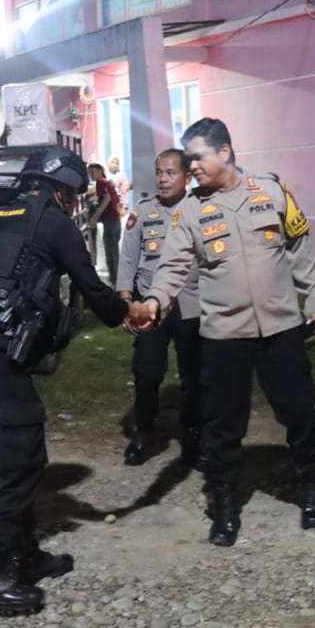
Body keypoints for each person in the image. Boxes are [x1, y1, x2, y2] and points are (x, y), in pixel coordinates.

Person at [0, 145, 151, 617]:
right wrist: (128, 311)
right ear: (63, 191)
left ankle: (26, 557)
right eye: (75, 196)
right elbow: (93, 290)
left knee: (6, 463)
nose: (75, 204)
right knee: (21, 463)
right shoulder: (52, 222)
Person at [137, 117, 315, 547]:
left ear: (224, 151)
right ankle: (224, 506)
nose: (191, 167)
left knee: (299, 411)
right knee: (223, 425)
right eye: (187, 160)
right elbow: (171, 268)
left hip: (281, 329)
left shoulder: (272, 191)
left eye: (197, 157)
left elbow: (300, 246)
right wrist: (154, 303)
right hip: (224, 335)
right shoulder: (190, 210)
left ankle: (312, 488)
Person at [115, 148, 203, 468]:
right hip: (150, 305)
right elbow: (128, 258)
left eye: (170, 173)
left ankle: (193, 432)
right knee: (146, 371)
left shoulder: (201, 209)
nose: (163, 179)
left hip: (192, 304)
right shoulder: (142, 212)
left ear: (187, 177)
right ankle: (145, 431)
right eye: (159, 172)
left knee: (194, 373)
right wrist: (126, 301)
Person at [86, 162, 121, 282]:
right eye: (89, 173)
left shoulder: (101, 182)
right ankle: (117, 280)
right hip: (115, 221)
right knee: (114, 252)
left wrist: (95, 216)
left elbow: (107, 198)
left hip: (110, 221)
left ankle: (114, 280)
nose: (91, 175)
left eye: (92, 172)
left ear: (100, 170)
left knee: (110, 252)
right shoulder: (108, 183)